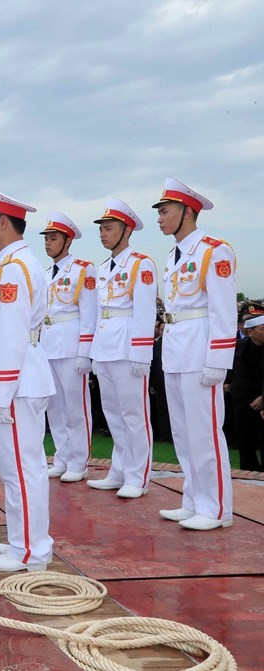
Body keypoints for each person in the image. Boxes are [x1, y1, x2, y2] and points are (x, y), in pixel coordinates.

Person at [0, 184, 55, 573]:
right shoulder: (11, 264)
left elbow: (10, 334)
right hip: (17, 379)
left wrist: (1, 391)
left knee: (23, 468)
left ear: (2, 222)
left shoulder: (14, 269)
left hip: (17, 381)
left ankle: (32, 551)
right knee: (16, 468)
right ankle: (23, 541)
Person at [155, 178, 237, 529]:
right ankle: (193, 499)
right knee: (183, 432)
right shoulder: (175, 255)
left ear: (187, 211)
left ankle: (216, 508)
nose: (160, 218)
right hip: (176, 347)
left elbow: (224, 310)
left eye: (165, 211)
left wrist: (219, 360)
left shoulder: (213, 251)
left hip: (200, 347)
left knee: (205, 432)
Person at [88, 200, 156, 499]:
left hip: (128, 346)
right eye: (101, 229)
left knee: (134, 415)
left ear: (126, 230)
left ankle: (138, 476)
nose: (103, 234)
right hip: (105, 346)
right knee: (113, 413)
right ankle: (119, 470)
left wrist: (142, 352)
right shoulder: (104, 267)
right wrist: (93, 350)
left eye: (108, 228)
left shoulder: (141, 264)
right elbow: (98, 312)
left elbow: (145, 311)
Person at [39, 213, 98, 483]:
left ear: (67, 240)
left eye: (53, 239)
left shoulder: (82, 270)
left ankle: (79, 461)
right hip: (48, 344)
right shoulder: (45, 274)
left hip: (71, 344)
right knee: (55, 408)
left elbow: (89, 313)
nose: (48, 243)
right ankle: (62, 457)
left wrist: (85, 352)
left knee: (76, 407)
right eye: (46, 239)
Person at [231, 312, 264, 471]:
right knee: (244, 438)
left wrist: (263, 398)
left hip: (261, 399)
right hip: (241, 399)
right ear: (250, 332)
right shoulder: (239, 346)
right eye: (262, 329)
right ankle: (248, 472)